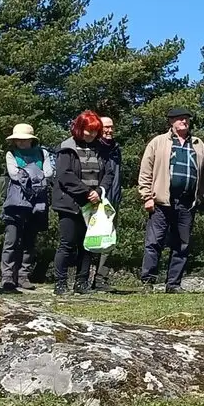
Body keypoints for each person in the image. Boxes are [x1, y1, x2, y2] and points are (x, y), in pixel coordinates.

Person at [138, 108, 204, 293]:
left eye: (186, 119)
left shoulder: (198, 144)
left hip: (187, 202)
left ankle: (174, 284)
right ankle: (148, 282)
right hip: (161, 200)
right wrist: (147, 196)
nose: (184, 122)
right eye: (180, 119)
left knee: (182, 245)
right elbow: (146, 171)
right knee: (154, 242)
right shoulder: (159, 142)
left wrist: (201, 195)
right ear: (171, 122)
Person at [51, 111, 115, 295]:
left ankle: (82, 282)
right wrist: (87, 193)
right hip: (70, 203)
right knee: (67, 243)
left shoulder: (101, 149)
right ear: (80, 129)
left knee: (87, 245)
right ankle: (60, 283)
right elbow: (65, 176)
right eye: (89, 131)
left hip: (93, 203)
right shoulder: (66, 148)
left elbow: (108, 173)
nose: (93, 135)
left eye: (96, 131)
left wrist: (100, 191)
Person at [0, 124, 49, 291]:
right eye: (17, 140)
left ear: (31, 140)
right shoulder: (11, 154)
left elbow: (49, 173)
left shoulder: (43, 153)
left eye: (23, 139)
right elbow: (14, 174)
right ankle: (7, 276)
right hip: (15, 201)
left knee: (30, 239)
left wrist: (27, 173)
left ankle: (23, 275)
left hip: (38, 201)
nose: (20, 142)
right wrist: (36, 174)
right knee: (11, 239)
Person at [91, 116, 123, 291]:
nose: (109, 131)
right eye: (105, 128)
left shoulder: (116, 148)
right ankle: (82, 278)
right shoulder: (93, 147)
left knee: (109, 239)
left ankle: (101, 279)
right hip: (95, 198)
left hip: (113, 199)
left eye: (111, 127)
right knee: (89, 237)